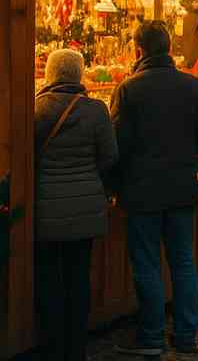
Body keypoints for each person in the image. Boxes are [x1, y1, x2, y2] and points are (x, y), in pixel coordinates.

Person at [110, 20, 198, 356]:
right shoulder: (191, 85)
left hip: (142, 190)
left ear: (138, 50)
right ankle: (186, 334)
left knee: (147, 264)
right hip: (181, 187)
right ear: (169, 47)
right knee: (183, 261)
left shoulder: (129, 89)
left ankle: (152, 335)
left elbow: (117, 145)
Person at [34, 49, 118, 361]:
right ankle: (76, 348)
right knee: (78, 279)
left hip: (46, 208)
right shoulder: (96, 110)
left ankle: (51, 348)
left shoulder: (36, 108)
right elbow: (110, 156)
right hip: (86, 210)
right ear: (79, 74)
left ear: (50, 73)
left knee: (47, 281)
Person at [179, 0, 198, 69]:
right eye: (194, 2)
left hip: (192, 47)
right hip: (192, 47)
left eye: (197, 3)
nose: (195, 4)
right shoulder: (193, 17)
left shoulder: (192, 17)